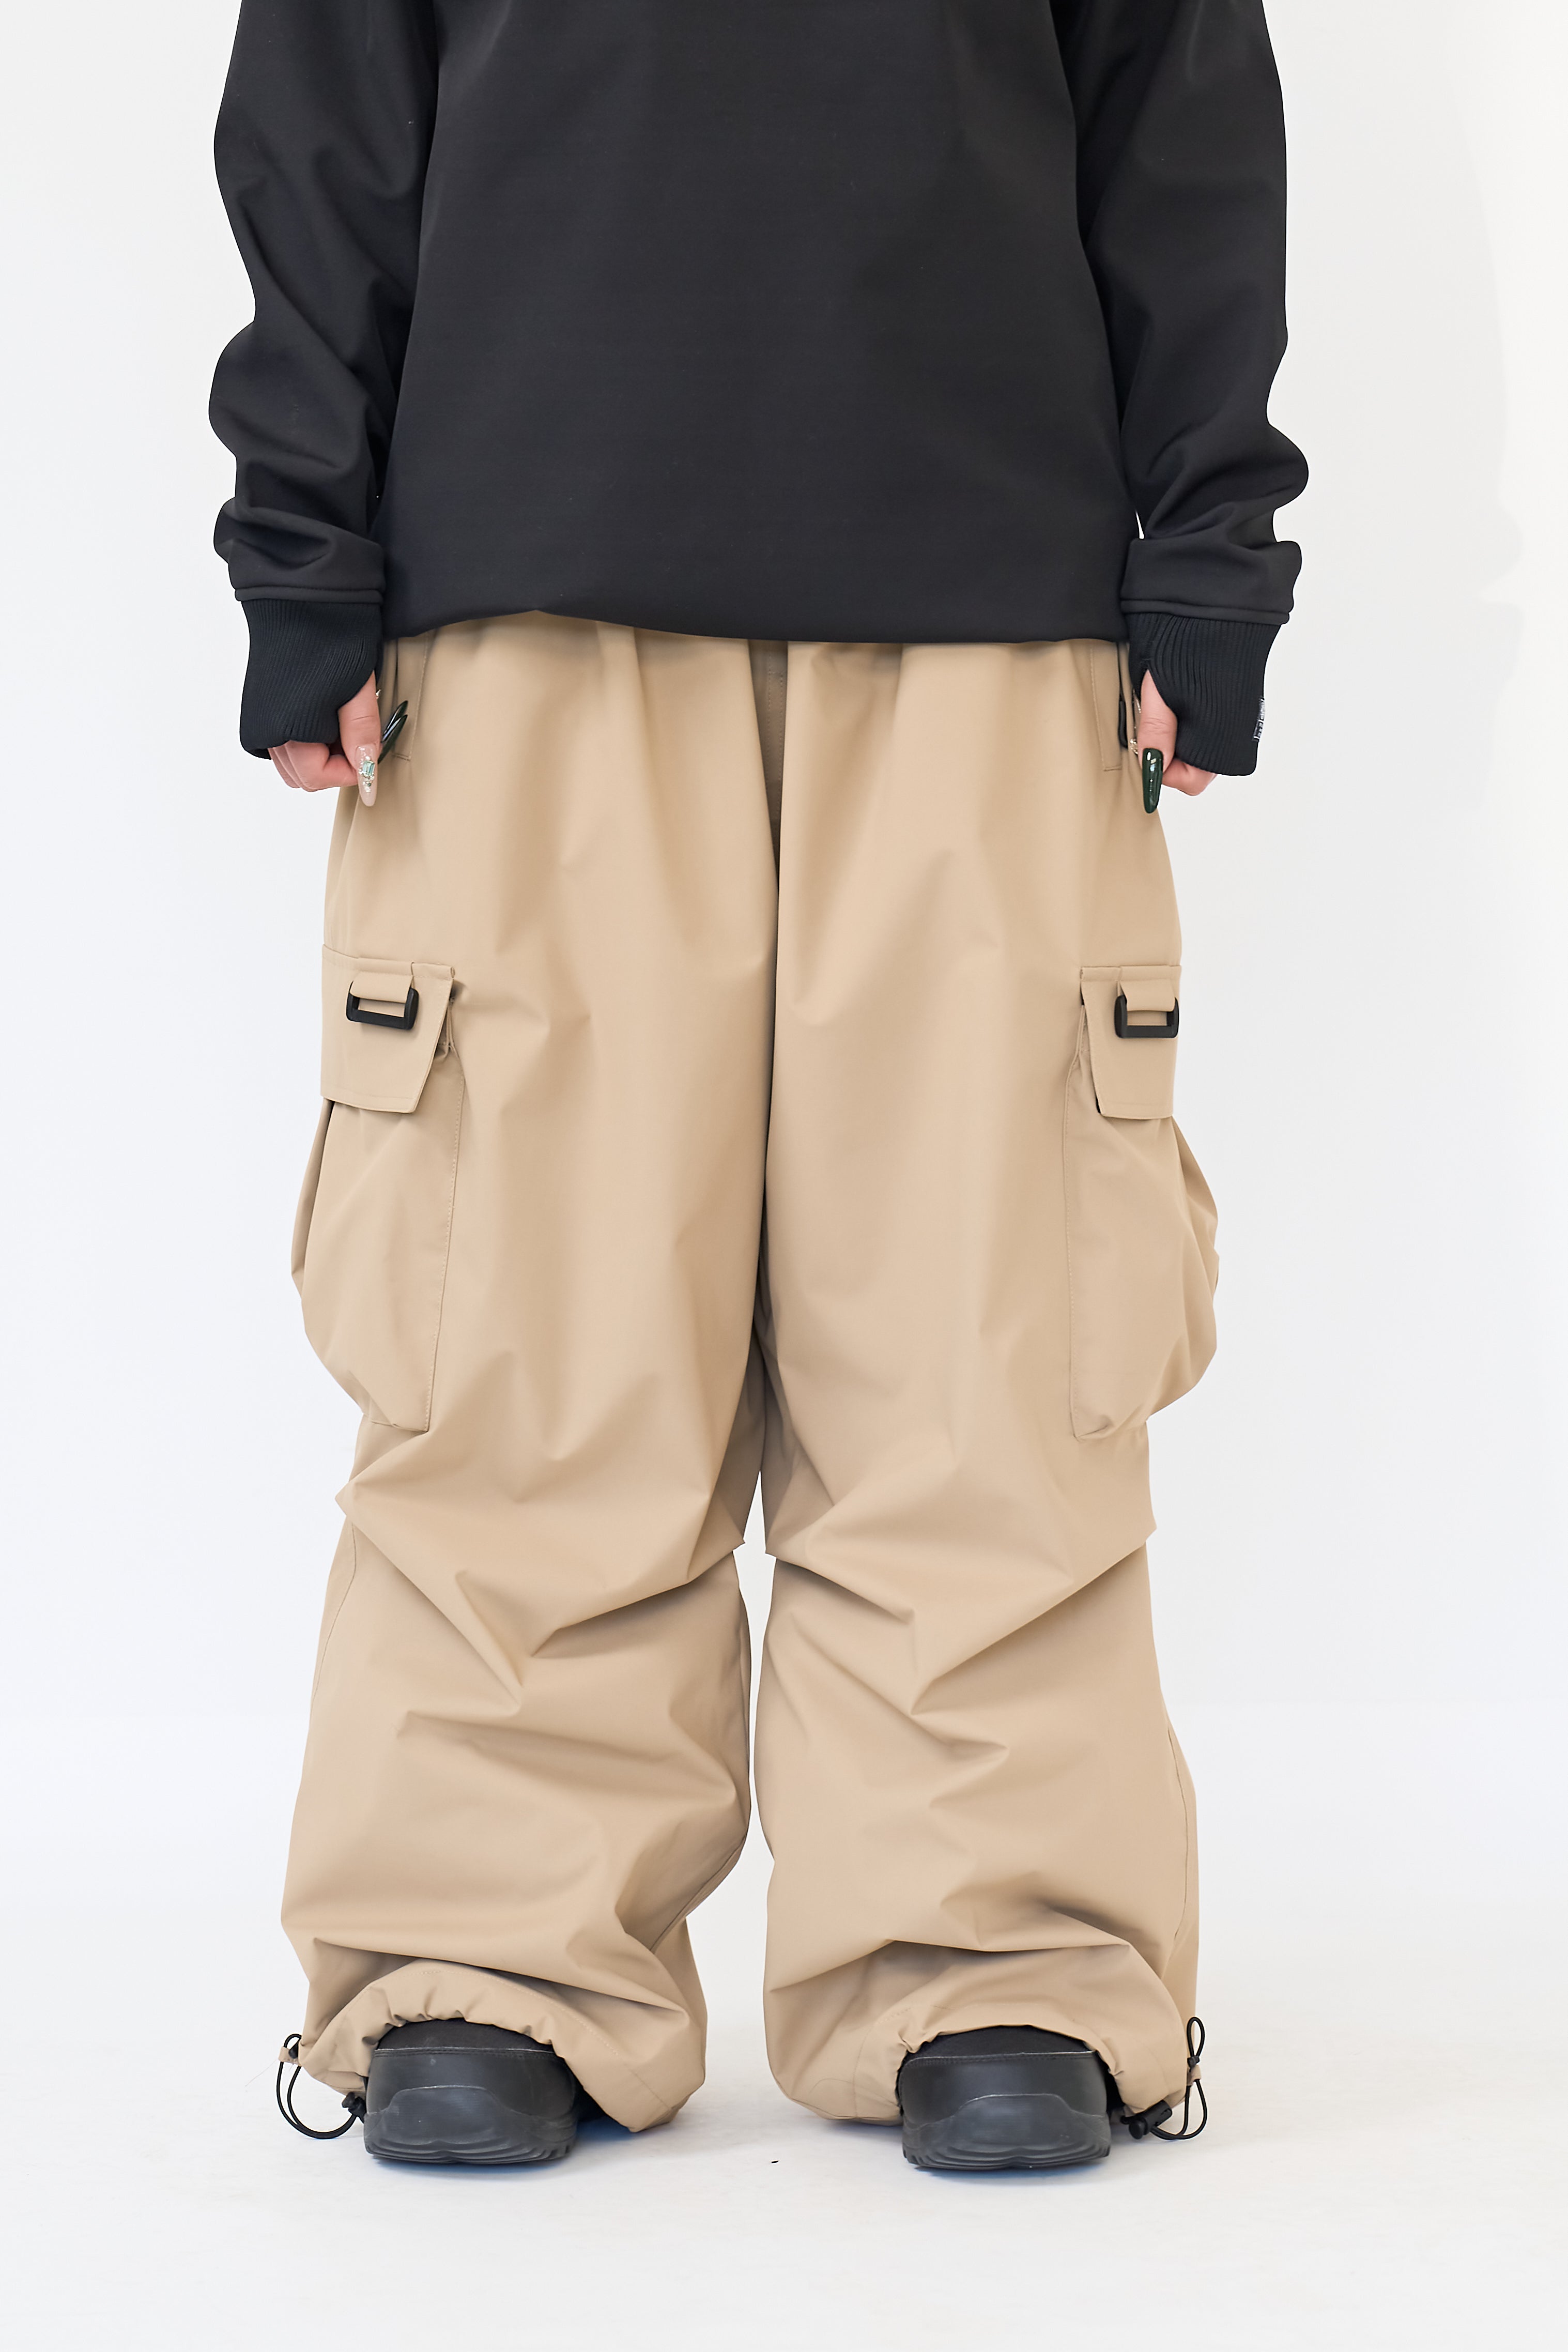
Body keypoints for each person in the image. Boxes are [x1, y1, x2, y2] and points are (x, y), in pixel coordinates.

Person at [213, 0, 1304, 2173]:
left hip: (994, 593)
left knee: (985, 1329)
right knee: (527, 1333)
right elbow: (329, 93)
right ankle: (488, 1952)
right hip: (525, 580)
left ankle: (998, 1948)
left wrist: (1207, 545)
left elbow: (1176, 89)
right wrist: (306, 545)